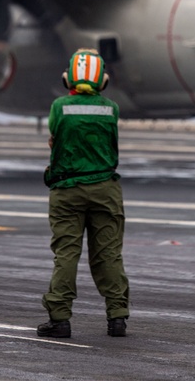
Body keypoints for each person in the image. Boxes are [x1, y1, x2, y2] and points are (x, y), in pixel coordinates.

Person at [37, 48, 131, 339]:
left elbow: (55, 138)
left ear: (69, 78)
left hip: (67, 190)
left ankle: (60, 319)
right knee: (109, 255)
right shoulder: (111, 108)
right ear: (102, 80)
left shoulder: (59, 107)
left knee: (67, 254)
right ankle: (117, 317)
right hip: (105, 190)